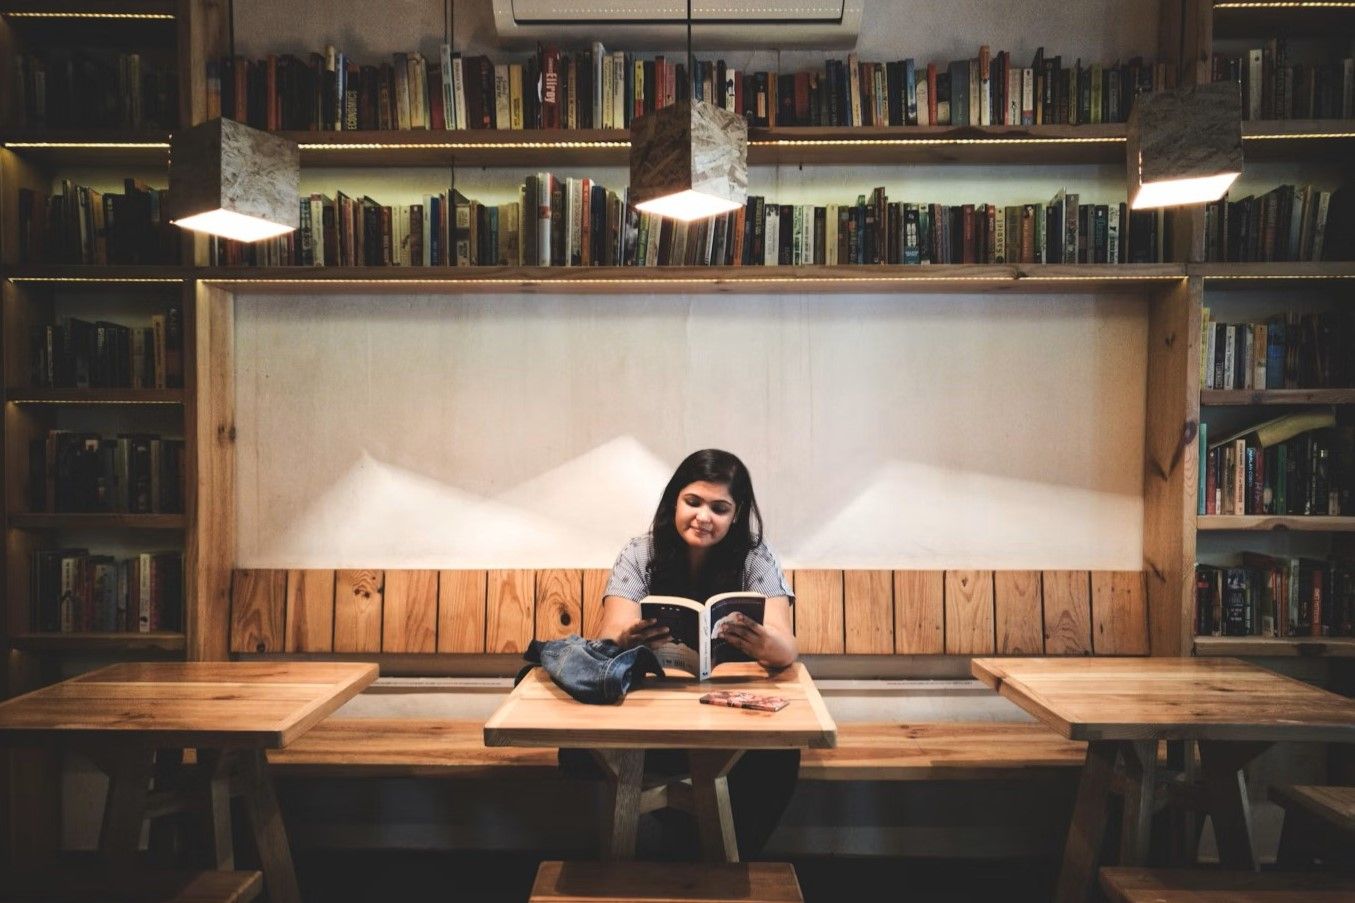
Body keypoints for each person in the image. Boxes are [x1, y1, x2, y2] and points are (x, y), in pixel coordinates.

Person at [564, 448, 800, 860]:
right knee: (594, 748)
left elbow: (787, 647)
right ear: (675, 499)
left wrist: (766, 643)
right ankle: (691, 857)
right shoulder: (641, 553)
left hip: (727, 714)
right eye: (693, 502)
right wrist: (628, 638)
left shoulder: (755, 558)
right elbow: (609, 634)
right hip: (651, 709)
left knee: (779, 754)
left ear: (736, 512)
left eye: (719, 508)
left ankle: (715, 863)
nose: (703, 517)